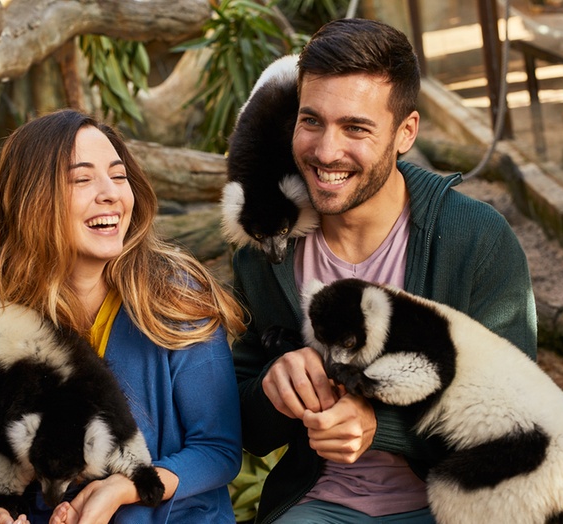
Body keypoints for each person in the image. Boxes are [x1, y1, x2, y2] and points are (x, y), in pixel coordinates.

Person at [230, 18, 537, 524]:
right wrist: (271, 389)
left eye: (355, 128)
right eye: (311, 121)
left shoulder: (475, 239)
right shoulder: (264, 248)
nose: (326, 151)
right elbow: (243, 427)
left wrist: (382, 428)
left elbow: (517, 420)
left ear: (405, 132)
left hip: (455, 508)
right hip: (317, 506)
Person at [0, 109, 246, 524]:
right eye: (82, 179)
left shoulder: (176, 298)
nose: (111, 194)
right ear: (30, 200)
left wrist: (126, 487)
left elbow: (218, 449)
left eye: (119, 176)